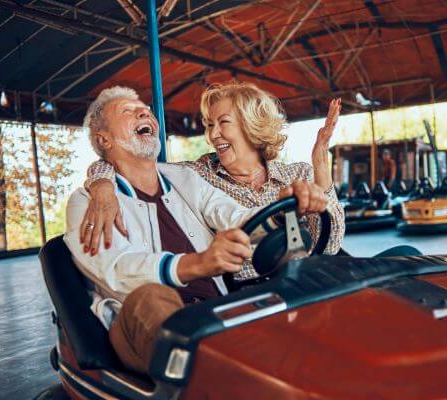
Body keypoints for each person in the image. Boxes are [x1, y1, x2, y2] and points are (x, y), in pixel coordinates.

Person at [64, 86, 327, 374]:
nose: (143, 112)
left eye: (146, 110)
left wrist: (283, 210)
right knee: (149, 296)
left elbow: (234, 216)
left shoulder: (184, 177)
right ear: (104, 139)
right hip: (142, 325)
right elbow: (115, 267)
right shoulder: (87, 202)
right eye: (126, 111)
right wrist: (197, 264)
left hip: (214, 312)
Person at [80, 81, 345, 280]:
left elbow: (330, 247)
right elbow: (131, 163)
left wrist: (321, 164)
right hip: (246, 293)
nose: (213, 134)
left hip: (303, 281)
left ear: (250, 126)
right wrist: (102, 185)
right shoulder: (198, 176)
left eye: (223, 122)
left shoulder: (296, 176)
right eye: (209, 125)